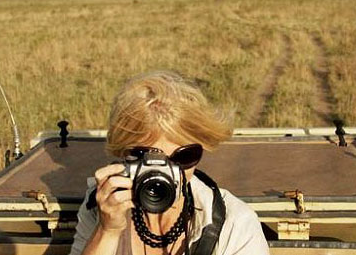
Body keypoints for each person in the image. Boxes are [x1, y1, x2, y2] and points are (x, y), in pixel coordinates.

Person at [69, 71, 269, 255]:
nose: (163, 171)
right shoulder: (104, 206)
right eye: (144, 157)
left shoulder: (234, 223)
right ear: (123, 154)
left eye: (183, 157)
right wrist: (108, 231)